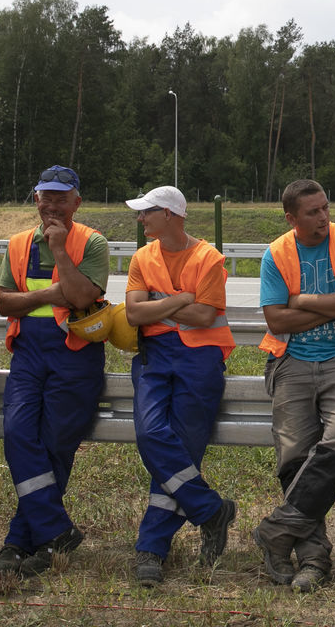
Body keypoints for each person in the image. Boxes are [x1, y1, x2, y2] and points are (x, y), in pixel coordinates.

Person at [252, 179, 335, 593]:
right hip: (291, 361)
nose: (323, 217)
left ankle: (276, 528)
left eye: (325, 208)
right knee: (294, 457)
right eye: (313, 212)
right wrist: (329, 303)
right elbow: (276, 321)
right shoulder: (276, 253)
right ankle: (313, 559)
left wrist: (300, 301)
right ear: (292, 218)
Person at [0, 165, 109, 581]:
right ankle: (55, 531)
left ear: (77, 201)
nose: (53, 205)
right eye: (47, 196)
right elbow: (4, 305)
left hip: (74, 356)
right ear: (35, 197)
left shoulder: (91, 242)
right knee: (18, 433)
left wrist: (60, 250)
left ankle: (19, 541)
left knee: (54, 445)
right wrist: (49, 293)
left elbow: (79, 296)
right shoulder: (19, 243)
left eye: (62, 197)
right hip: (28, 354)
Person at [122, 186, 237, 587]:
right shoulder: (142, 257)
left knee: (183, 450)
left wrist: (159, 300)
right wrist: (179, 299)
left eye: (146, 213)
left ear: (169, 215)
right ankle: (210, 510)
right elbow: (134, 313)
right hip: (155, 357)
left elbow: (205, 315)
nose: (141, 219)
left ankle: (151, 549)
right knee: (151, 433)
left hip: (200, 358)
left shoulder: (209, 259)